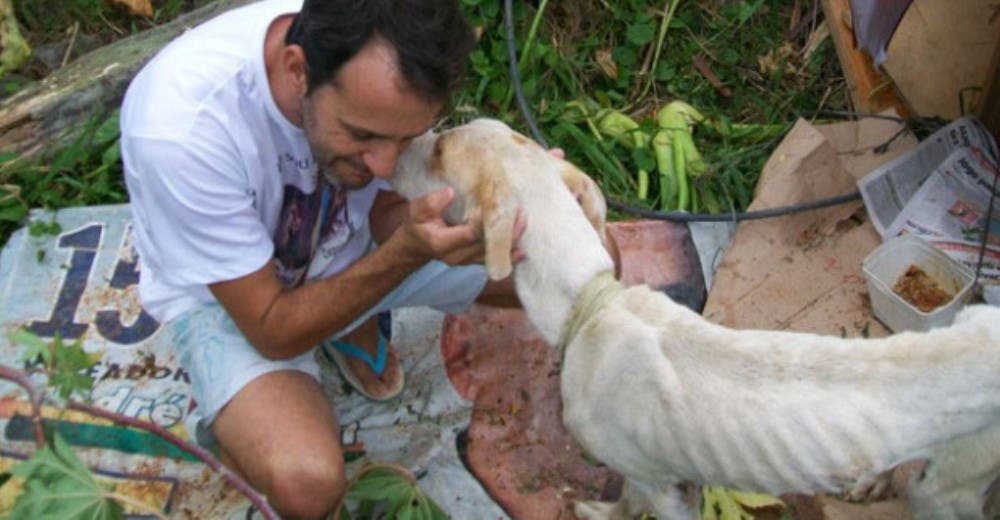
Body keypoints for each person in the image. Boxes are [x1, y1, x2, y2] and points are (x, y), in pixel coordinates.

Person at [119, 0, 505, 516]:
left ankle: (345, 315)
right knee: (307, 485)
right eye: (362, 135)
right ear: (297, 69)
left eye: (407, 137)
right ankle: (241, 418)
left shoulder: (372, 52)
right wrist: (407, 253)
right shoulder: (182, 129)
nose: (386, 164)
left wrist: (499, 210)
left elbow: (388, 207)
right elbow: (272, 330)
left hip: (351, 240)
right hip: (241, 299)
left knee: (559, 266)